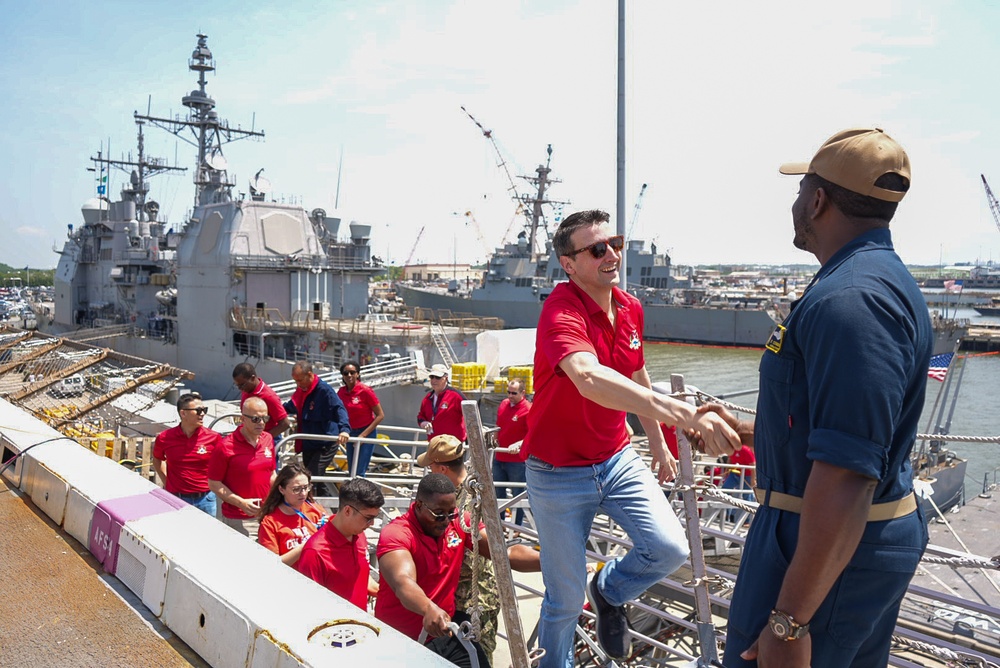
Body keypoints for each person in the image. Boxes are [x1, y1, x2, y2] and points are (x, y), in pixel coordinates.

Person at [699, 128, 932, 668]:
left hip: (819, 543)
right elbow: (842, 427)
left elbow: (848, 471)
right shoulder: (872, 281)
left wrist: (788, 622)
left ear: (819, 199)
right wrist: (749, 430)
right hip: (836, 536)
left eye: (801, 189)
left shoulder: (851, 300)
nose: (795, 203)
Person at [521, 208, 739, 667]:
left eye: (615, 243)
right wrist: (685, 414)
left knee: (669, 548)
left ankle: (610, 589)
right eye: (597, 248)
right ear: (569, 263)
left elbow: (635, 370)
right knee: (562, 601)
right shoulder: (560, 309)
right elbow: (588, 377)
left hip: (616, 457)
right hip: (557, 473)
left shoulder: (629, 306)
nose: (611, 254)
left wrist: (657, 441)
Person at [375, 473, 539, 654]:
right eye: (438, 514)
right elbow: (403, 582)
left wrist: (549, 563)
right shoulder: (397, 534)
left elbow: (505, 553)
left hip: (445, 632)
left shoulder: (460, 522)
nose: (446, 520)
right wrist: (428, 608)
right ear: (419, 505)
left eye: (451, 512)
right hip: (399, 638)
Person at [417, 435, 501, 664]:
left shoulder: (470, 499)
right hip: (458, 597)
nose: (429, 472)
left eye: (431, 467)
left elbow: (484, 549)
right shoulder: (466, 492)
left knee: (478, 660)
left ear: (442, 468)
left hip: (476, 600)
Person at [295, 477, 384, 609]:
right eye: (368, 518)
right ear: (347, 511)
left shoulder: (359, 535)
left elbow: (361, 579)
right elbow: (309, 605)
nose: (372, 524)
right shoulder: (315, 552)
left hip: (360, 626)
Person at [208, 396, 278, 540]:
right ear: (243, 419)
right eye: (256, 419)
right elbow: (214, 483)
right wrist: (241, 503)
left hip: (266, 514)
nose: (261, 423)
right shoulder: (225, 446)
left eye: (265, 418)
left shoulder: (268, 439)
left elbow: (271, 473)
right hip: (238, 517)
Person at [283, 361, 350, 498]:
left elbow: (339, 408)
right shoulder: (302, 390)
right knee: (317, 478)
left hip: (325, 443)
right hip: (309, 442)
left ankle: (309, 507)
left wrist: (344, 430)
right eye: (295, 381)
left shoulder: (324, 390)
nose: (298, 384)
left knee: (311, 477)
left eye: (300, 380)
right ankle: (329, 509)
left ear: (309, 375)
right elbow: (291, 406)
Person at [152, 392, 221, 515]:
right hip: (176, 498)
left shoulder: (214, 437)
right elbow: (157, 459)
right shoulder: (165, 438)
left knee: (207, 534)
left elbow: (223, 463)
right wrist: (166, 480)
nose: (203, 414)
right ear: (183, 413)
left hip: (206, 499)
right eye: (198, 410)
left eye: (204, 410)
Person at [256, 463, 327, 566]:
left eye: (306, 487)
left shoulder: (317, 510)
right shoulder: (270, 523)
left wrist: (332, 529)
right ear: (281, 489)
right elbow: (272, 564)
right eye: (296, 489)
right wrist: (307, 545)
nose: (303, 493)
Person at [493, 378, 531, 527]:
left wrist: (519, 444)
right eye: (508, 392)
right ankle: (499, 524)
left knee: (518, 495)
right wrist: (494, 440)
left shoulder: (528, 409)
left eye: (513, 393)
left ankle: (516, 527)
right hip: (499, 456)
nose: (510, 396)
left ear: (523, 392)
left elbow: (532, 435)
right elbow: (499, 425)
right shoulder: (503, 405)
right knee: (498, 493)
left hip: (517, 461)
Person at [337, 361, 384, 477]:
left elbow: (380, 415)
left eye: (352, 372)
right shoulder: (341, 392)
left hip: (366, 433)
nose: (349, 375)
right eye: (345, 373)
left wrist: (363, 435)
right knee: (351, 469)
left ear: (358, 374)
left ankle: (358, 494)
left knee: (359, 471)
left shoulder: (365, 391)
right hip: (350, 433)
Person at [233, 362, 291, 440]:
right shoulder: (246, 390)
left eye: (242, 385)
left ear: (253, 378)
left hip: (266, 439)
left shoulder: (269, 396)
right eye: (238, 386)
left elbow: (285, 423)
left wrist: (263, 439)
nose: (240, 389)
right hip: (250, 437)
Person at [417, 364, 466, 442]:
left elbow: (471, 415)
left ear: (446, 378)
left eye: (438, 377)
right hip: (434, 444)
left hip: (453, 446)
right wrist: (423, 423)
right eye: (432, 377)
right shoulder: (428, 398)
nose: (434, 380)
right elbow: (420, 416)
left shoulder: (456, 396)